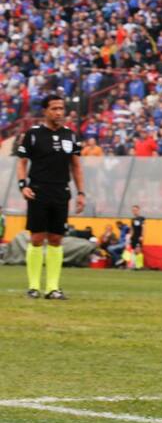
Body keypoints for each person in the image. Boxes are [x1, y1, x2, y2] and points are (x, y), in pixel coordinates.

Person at [16, 94, 86, 299]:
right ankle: (34, 287)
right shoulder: (33, 134)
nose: (59, 112)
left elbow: (76, 166)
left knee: (56, 238)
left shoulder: (70, 135)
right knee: (37, 238)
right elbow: (22, 163)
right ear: (45, 111)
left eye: (61, 108)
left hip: (61, 191)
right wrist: (23, 186)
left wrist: (81, 192)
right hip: (38, 190)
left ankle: (53, 288)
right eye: (54, 108)